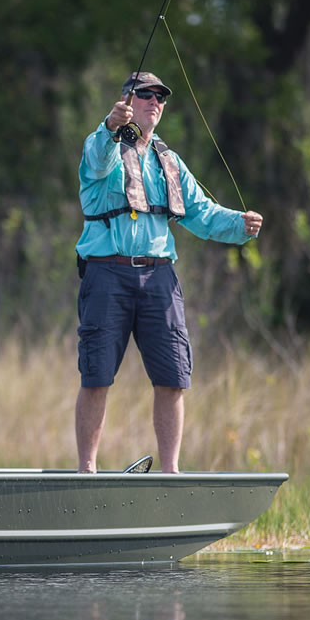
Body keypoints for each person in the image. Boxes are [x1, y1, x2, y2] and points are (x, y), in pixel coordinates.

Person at [75, 71, 262, 473]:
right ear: (126, 100)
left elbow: (201, 214)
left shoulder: (168, 162)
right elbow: (97, 157)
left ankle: (170, 471)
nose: (155, 102)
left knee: (174, 375)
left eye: (161, 97)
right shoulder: (101, 146)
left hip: (159, 277)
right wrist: (111, 125)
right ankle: (87, 469)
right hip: (107, 273)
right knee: (96, 374)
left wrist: (239, 224)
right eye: (145, 95)